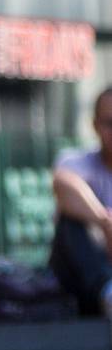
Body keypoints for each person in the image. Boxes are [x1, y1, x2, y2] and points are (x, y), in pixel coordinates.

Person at [49, 85, 112, 329]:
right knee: (72, 222)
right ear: (96, 126)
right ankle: (106, 292)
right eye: (109, 123)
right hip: (79, 282)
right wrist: (104, 222)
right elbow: (64, 186)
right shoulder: (76, 160)